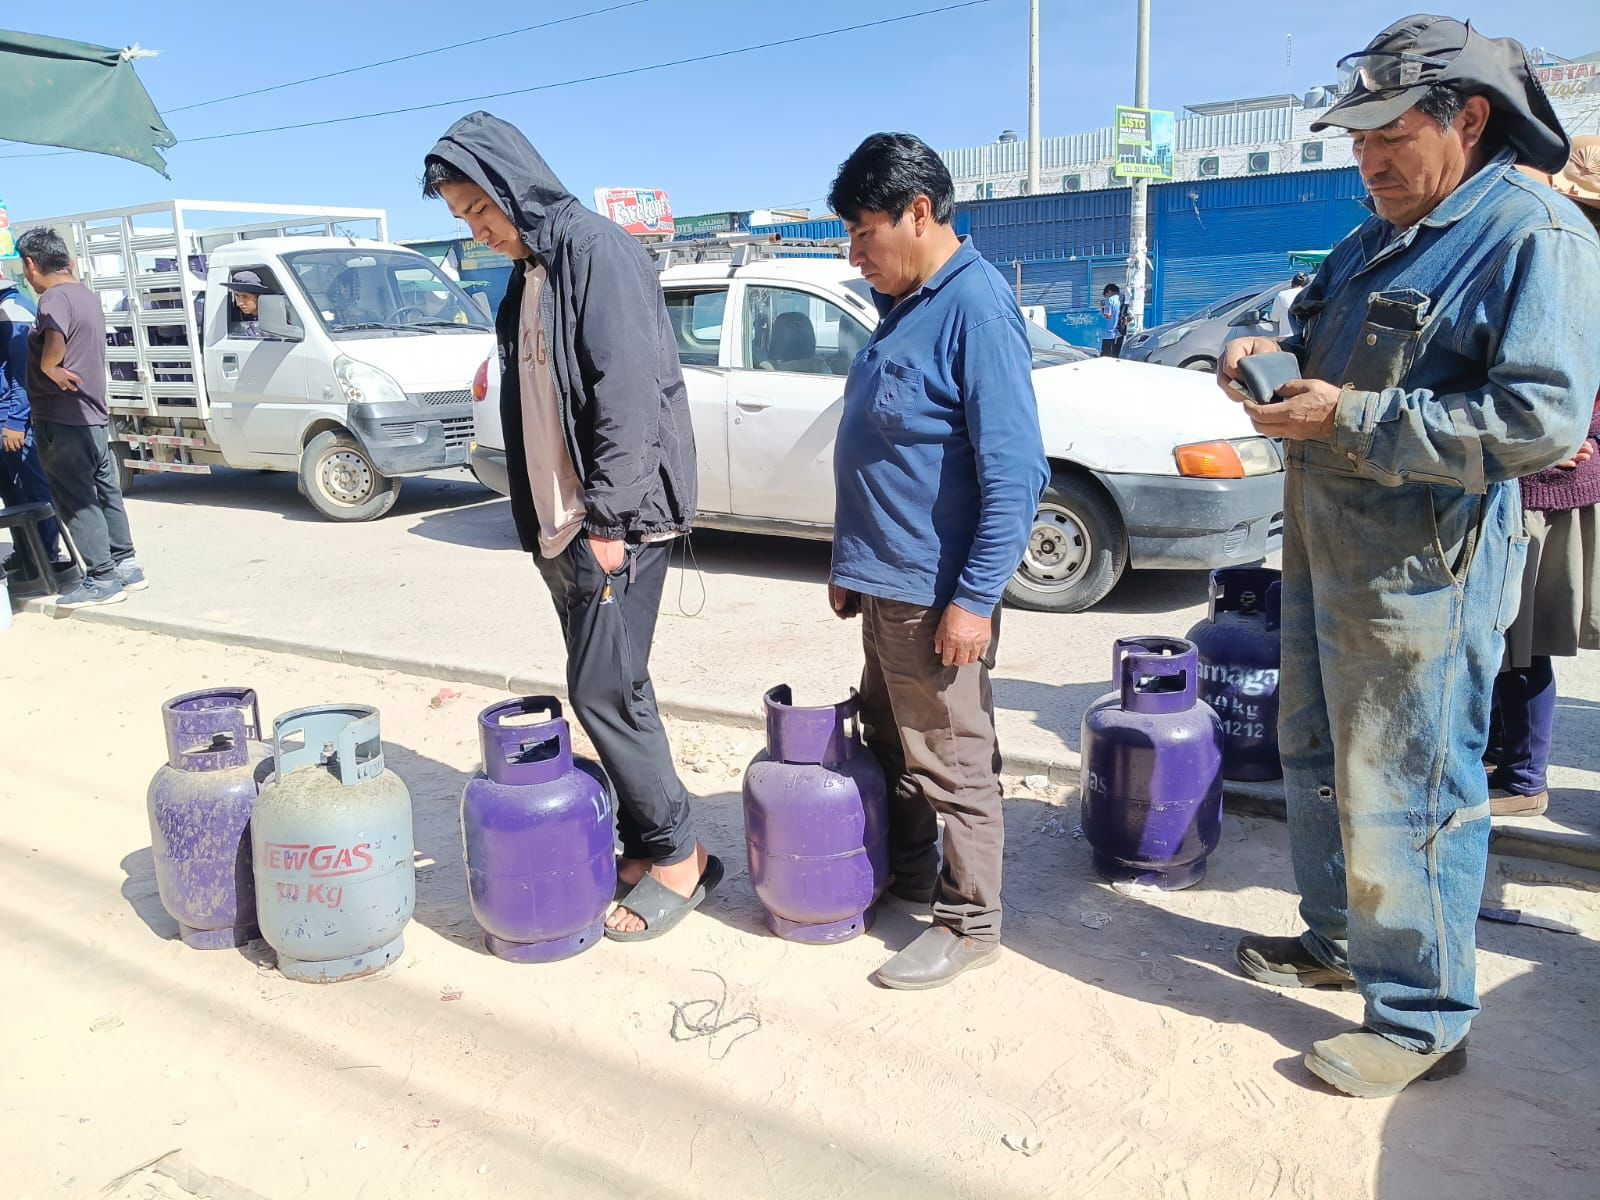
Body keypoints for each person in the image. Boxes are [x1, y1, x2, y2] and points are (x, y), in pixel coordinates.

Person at [1219, 15, 1600, 1098]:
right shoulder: (1378, 235)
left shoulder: (1532, 236)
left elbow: (1538, 422)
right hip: (1327, 550)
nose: (1366, 160)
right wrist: (1265, 359)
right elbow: (1325, 347)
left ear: (1466, 119)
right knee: (1315, 764)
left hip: (1423, 577)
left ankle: (1423, 1013)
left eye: (1386, 135)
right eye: (1355, 140)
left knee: (1408, 791)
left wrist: (1349, 418)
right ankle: (1343, 943)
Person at [421, 112, 713, 941]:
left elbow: (627, 393)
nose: (477, 232)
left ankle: (680, 857)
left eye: (481, 211)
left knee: (603, 691)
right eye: (462, 221)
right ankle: (653, 839)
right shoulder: (531, 273)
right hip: (563, 526)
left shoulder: (597, 251)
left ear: (515, 184)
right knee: (621, 687)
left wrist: (611, 517)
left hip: (613, 522)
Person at [826, 132, 1048, 990]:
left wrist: (976, 599)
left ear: (919, 213)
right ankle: (914, 872)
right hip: (885, 581)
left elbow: (1015, 471)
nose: (854, 254)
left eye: (863, 233)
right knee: (893, 741)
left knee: (953, 758)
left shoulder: (976, 310)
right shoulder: (911, 303)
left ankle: (969, 921)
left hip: (934, 593)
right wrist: (850, 559)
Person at [1486, 138, 1600, 817]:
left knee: (1522, 639)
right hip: (1531, 479)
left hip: (1550, 490)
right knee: (1505, 637)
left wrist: (1575, 437)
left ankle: (1524, 779)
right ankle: (1507, 757)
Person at [16, 228, 145, 608]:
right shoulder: (85, 295)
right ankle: (126, 566)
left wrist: (48, 364)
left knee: (75, 497)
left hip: (62, 415)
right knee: (104, 490)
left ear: (30, 265)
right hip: (91, 412)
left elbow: (54, 336)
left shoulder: (53, 298)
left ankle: (103, 578)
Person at [0, 274, 68, 579]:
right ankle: (28, 554)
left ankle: (46, 557)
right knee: (11, 494)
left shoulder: (12, 311)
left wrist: (15, 421)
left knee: (33, 491)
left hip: (13, 421)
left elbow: (23, 373)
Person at [226, 270, 269, 339]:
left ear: (259, 296)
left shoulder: (272, 316)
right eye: (237, 296)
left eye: (245, 297)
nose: (240, 303)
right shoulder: (232, 316)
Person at [1270, 272, 1310, 339]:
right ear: (1307, 284)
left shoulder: (1281, 295)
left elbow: (1274, 318)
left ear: (1292, 282)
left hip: (1287, 337)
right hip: (1307, 338)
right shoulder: (1310, 294)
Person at [1099, 283, 1125, 357]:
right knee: (1116, 356)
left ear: (1109, 291)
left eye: (1106, 295)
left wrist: (1102, 308)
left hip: (1110, 334)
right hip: (1120, 332)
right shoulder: (1123, 298)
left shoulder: (1110, 300)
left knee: (1106, 357)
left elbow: (1108, 315)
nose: (1106, 297)